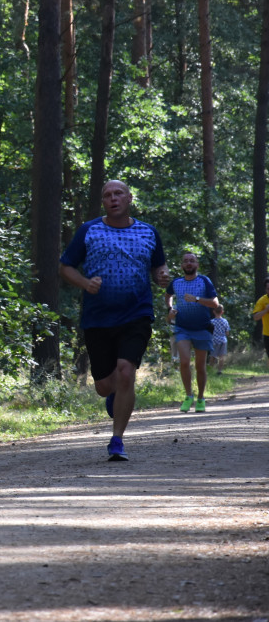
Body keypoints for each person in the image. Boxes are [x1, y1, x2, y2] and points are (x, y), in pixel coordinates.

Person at [59, 179, 170, 461]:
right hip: (98, 318)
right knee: (104, 385)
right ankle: (114, 395)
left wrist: (161, 277)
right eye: (107, 194)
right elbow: (65, 266)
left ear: (130, 198)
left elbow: (159, 267)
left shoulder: (148, 232)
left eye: (118, 193)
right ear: (103, 202)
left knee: (125, 372)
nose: (113, 198)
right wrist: (85, 283)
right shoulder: (89, 230)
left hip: (136, 314)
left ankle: (117, 439)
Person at [165, 252, 219, 413]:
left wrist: (196, 299)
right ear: (181, 265)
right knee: (184, 361)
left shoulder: (204, 281)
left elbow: (215, 304)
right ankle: (188, 396)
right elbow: (168, 296)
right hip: (182, 328)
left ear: (197, 265)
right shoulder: (176, 282)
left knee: (200, 366)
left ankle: (201, 398)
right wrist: (170, 309)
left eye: (192, 261)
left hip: (202, 328)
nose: (188, 263)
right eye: (186, 261)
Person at [252, 277, 269, 369]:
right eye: (268, 289)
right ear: (265, 289)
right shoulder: (262, 301)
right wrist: (266, 310)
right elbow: (255, 317)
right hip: (267, 334)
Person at [210, 304, 230, 375]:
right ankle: (219, 370)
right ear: (222, 312)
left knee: (213, 355)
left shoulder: (211, 322)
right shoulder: (225, 321)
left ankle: (210, 369)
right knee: (222, 356)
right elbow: (227, 332)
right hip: (223, 340)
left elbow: (209, 332)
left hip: (214, 340)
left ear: (214, 312)